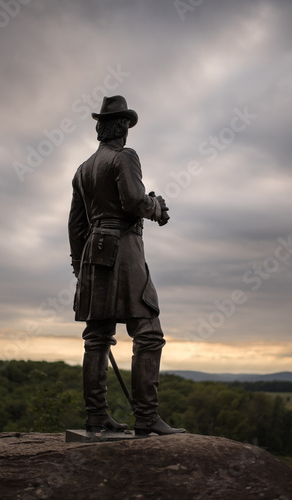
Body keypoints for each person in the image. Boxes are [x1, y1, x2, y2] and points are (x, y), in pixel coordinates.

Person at [68, 95, 185, 435]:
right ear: (123, 128)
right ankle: (147, 419)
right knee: (148, 331)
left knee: (97, 337)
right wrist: (156, 207)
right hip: (124, 249)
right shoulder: (125, 157)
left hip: (93, 253)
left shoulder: (83, 169)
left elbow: (76, 226)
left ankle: (96, 418)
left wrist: (80, 267)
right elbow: (134, 201)